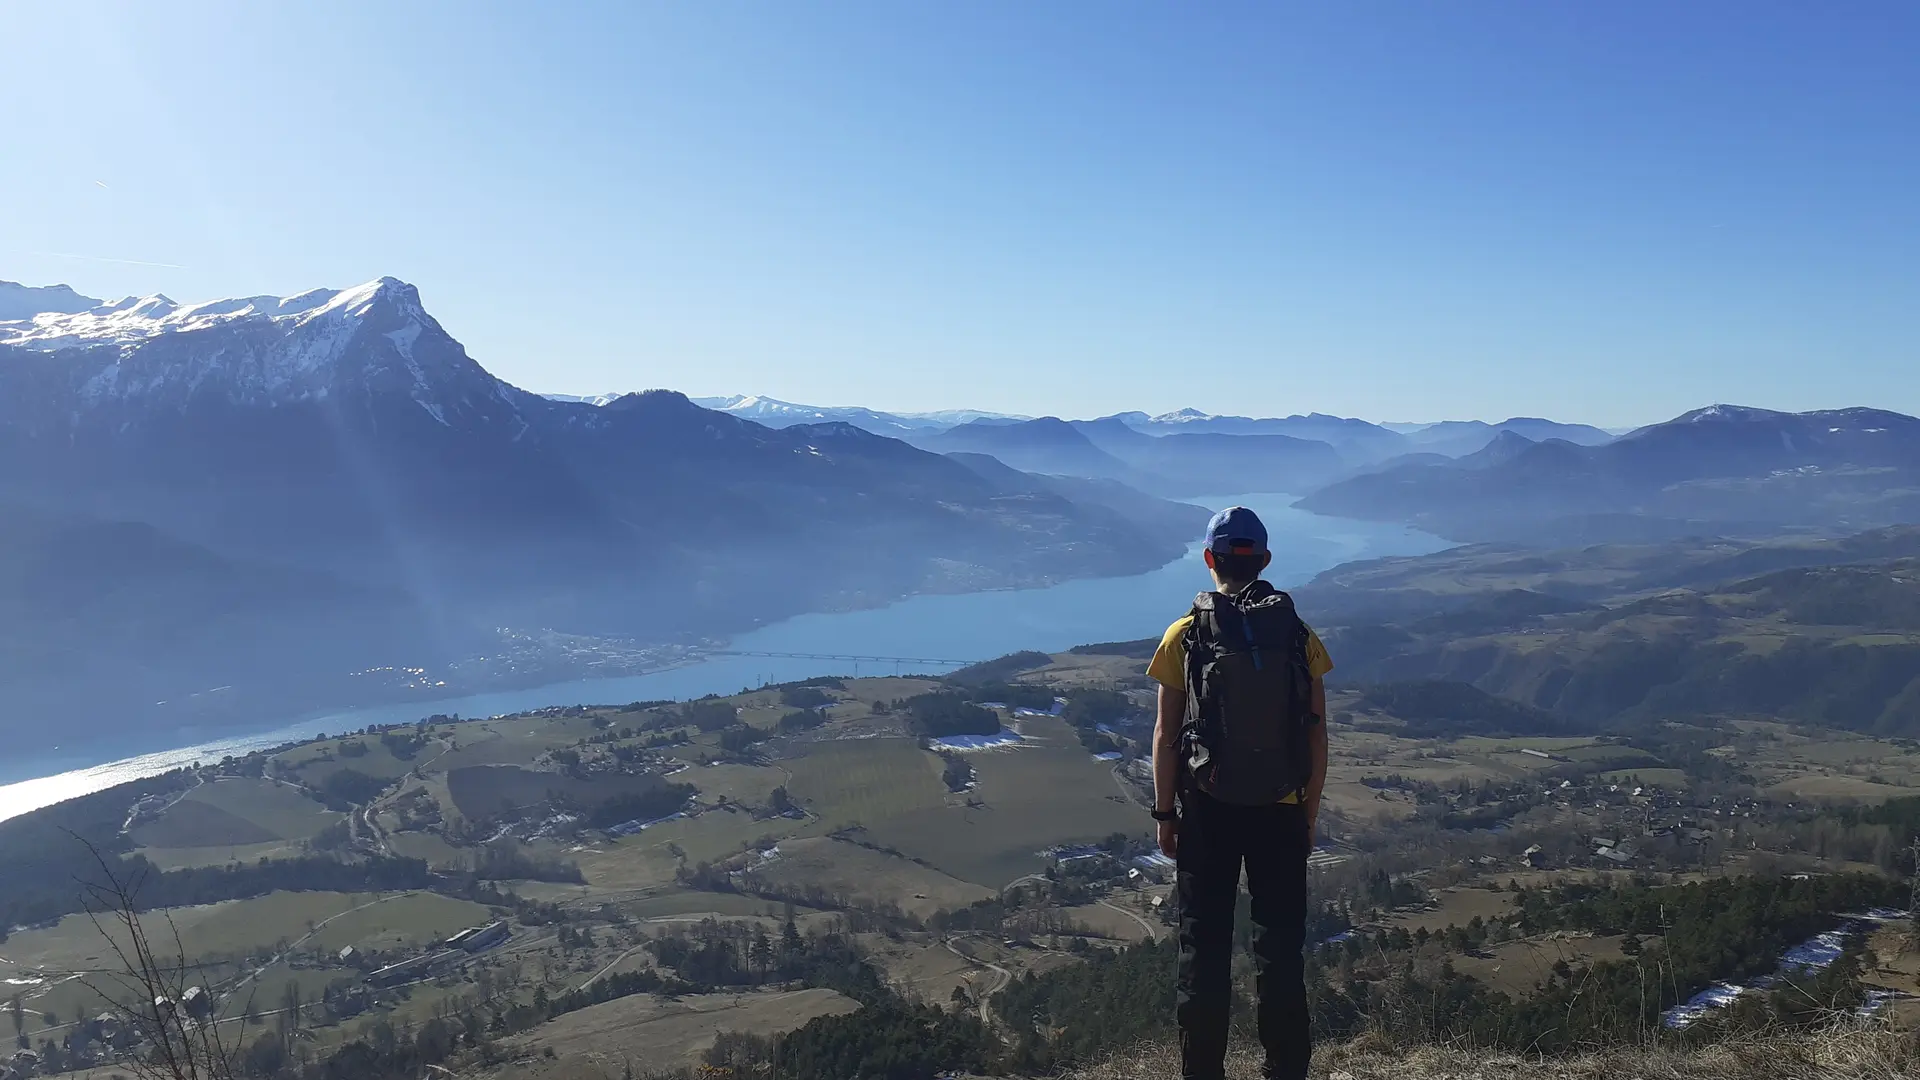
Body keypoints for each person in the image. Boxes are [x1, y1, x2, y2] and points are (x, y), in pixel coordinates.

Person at [1147, 506, 1332, 1080]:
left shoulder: (1185, 634)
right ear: (1266, 560)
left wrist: (1164, 812)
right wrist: (1307, 811)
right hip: (1280, 811)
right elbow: (1317, 730)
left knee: (1203, 953)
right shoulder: (1298, 635)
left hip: (1209, 810)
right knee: (1279, 954)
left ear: (1209, 560)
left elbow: (1165, 734)